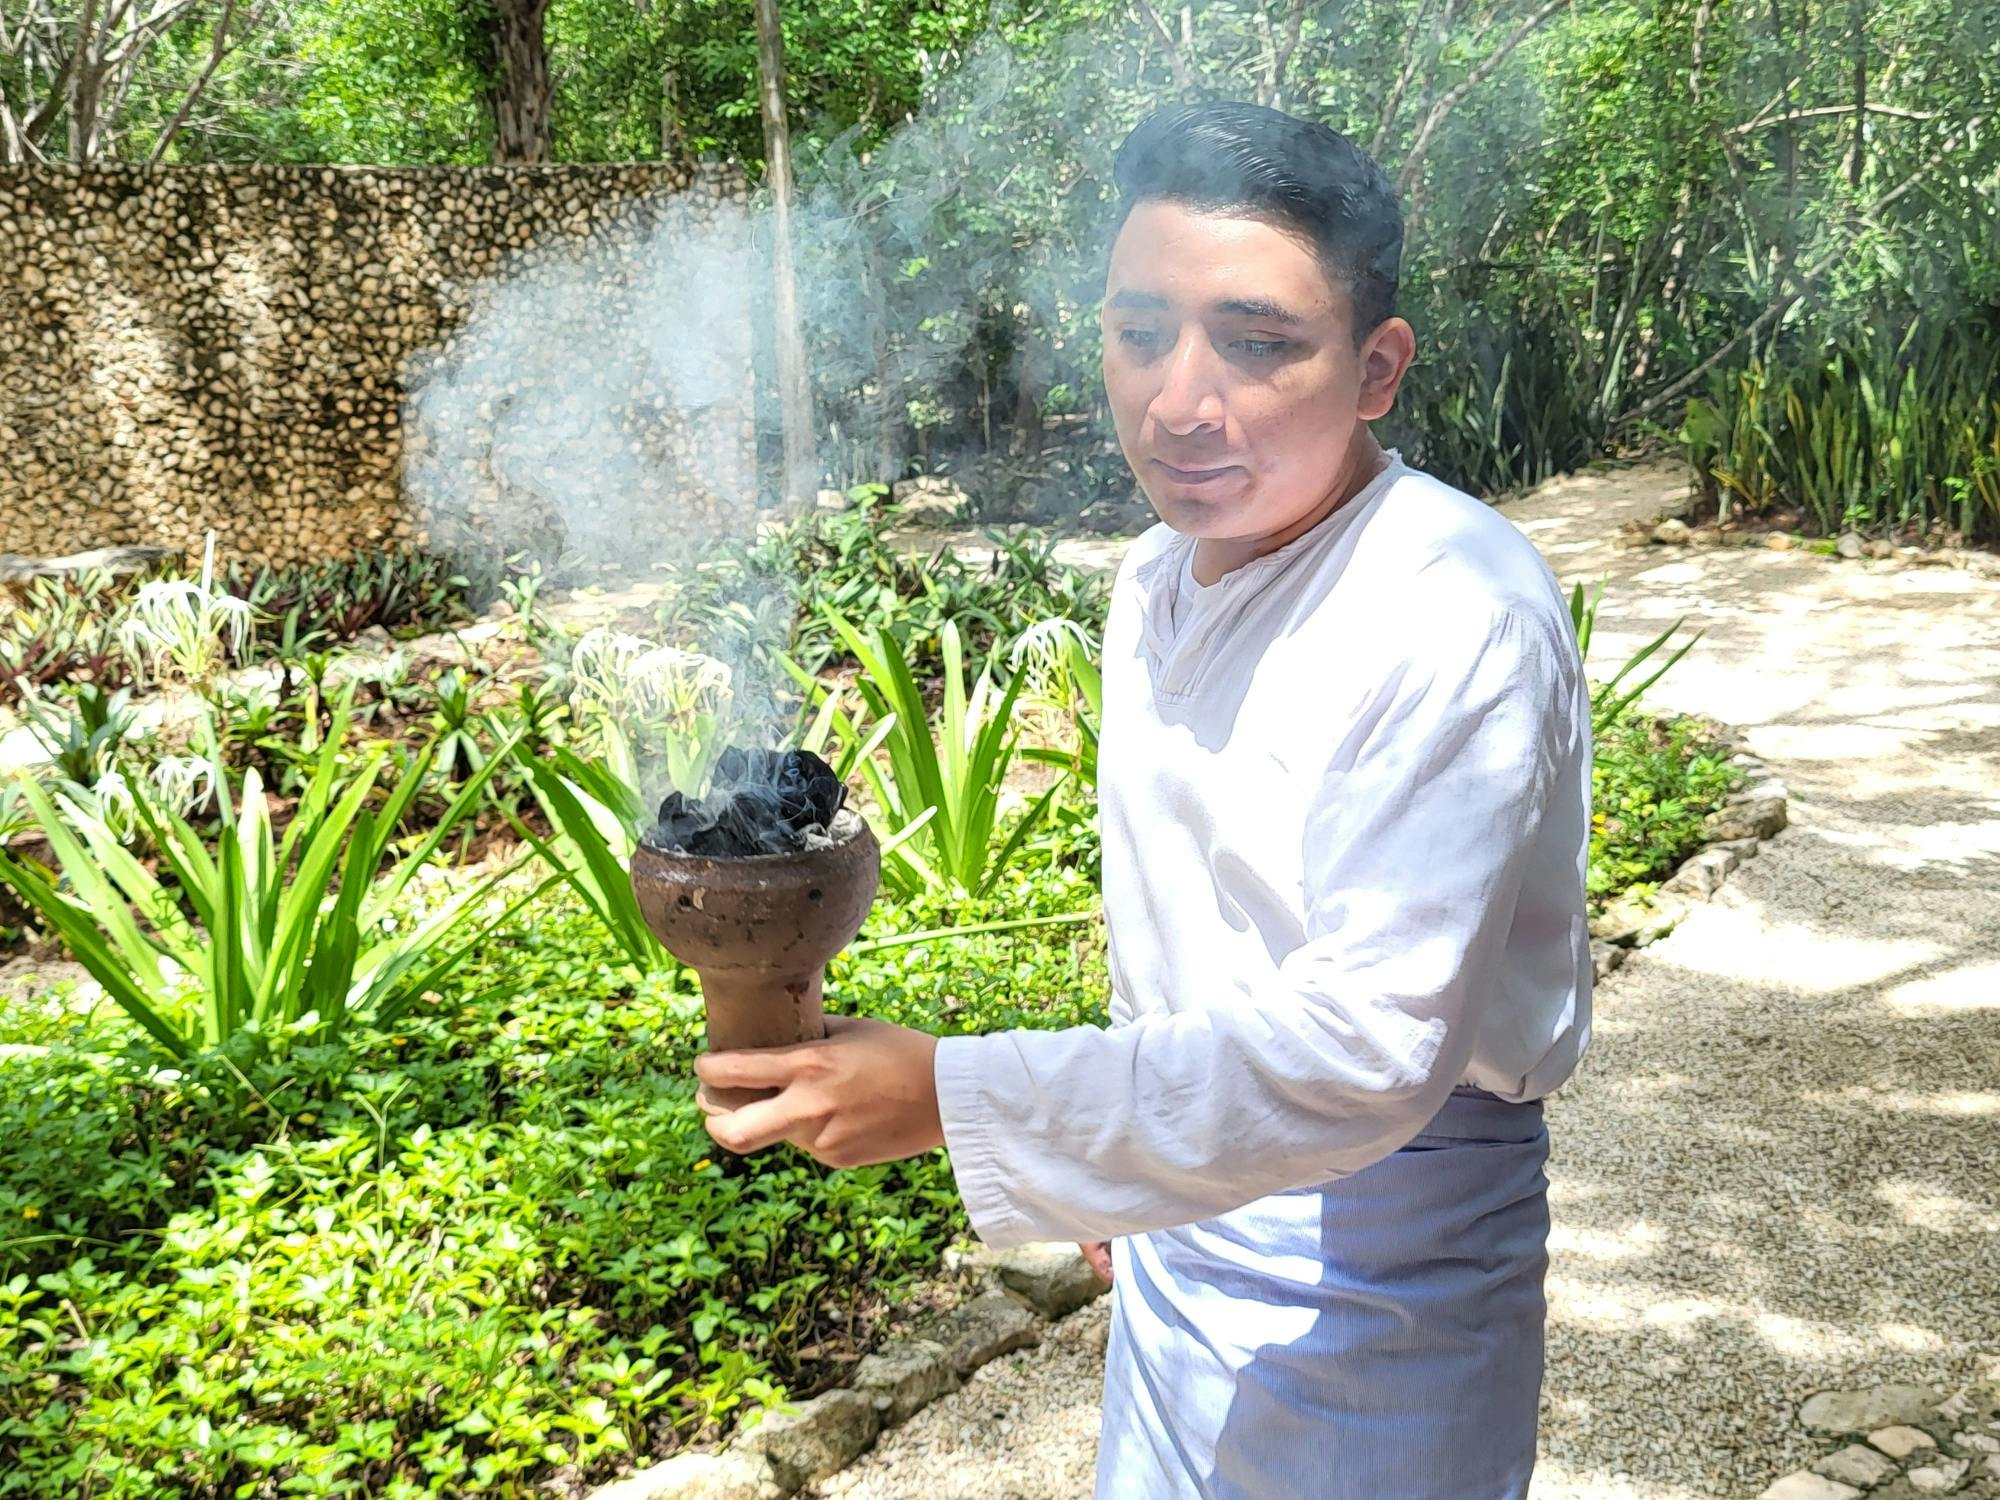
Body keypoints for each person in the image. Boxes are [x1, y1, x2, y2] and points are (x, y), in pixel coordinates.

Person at [694, 101, 1593, 1500]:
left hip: (1377, 1273)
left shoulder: (1452, 607)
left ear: (1377, 368)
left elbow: (1368, 1050)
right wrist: (1123, 1175)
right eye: (1138, 333)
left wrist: (955, 1096)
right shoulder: (1153, 580)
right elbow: (1179, 908)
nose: (1179, 400)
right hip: (1182, 1213)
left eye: (1257, 342)